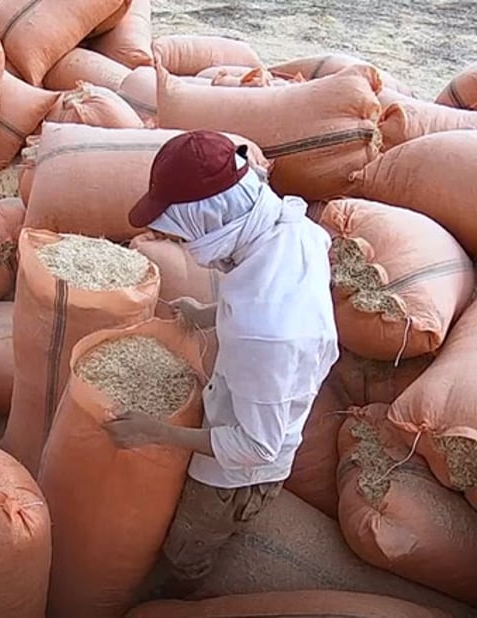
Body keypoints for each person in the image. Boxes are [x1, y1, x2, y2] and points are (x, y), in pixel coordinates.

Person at [103, 131, 339, 599]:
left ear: (209, 222)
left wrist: (155, 431)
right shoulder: (294, 231)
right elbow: (260, 296)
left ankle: (182, 595)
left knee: (187, 546)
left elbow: (256, 447)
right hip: (258, 386)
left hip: (234, 478)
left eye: (182, 232)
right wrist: (207, 314)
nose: (178, 242)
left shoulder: (265, 333)